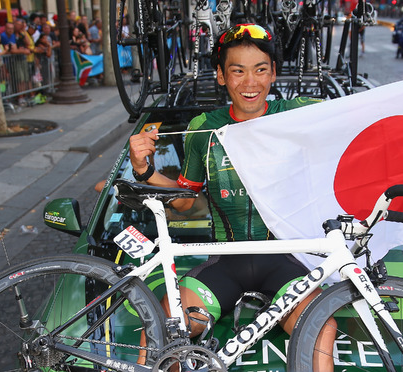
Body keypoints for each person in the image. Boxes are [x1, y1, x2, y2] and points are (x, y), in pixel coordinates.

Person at [129, 23, 335, 370]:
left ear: (273, 75)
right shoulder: (203, 127)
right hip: (226, 262)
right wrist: (144, 170)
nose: (250, 83)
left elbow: (363, 121)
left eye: (260, 70)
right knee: (164, 329)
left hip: (283, 262)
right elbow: (184, 202)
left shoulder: (298, 114)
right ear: (222, 77)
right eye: (237, 71)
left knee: (321, 327)